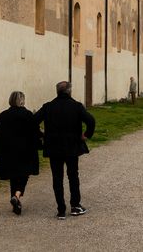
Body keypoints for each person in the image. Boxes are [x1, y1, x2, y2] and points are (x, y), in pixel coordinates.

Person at [34, 81, 95, 219]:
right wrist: (86, 135)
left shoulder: (48, 106)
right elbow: (91, 121)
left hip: (53, 146)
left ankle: (61, 209)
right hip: (72, 146)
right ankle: (75, 206)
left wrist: (41, 134)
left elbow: (33, 121)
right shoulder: (76, 106)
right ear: (69, 91)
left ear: (57, 92)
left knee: (57, 177)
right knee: (73, 175)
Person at [0, 90, 41, 216]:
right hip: (26, 151)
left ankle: (16, 202)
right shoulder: (28, 114)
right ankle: (17, 194)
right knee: (24, 174)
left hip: (8, 151)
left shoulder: (3, 115)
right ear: (22, 100)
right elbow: (35, 132)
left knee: (13, 175)